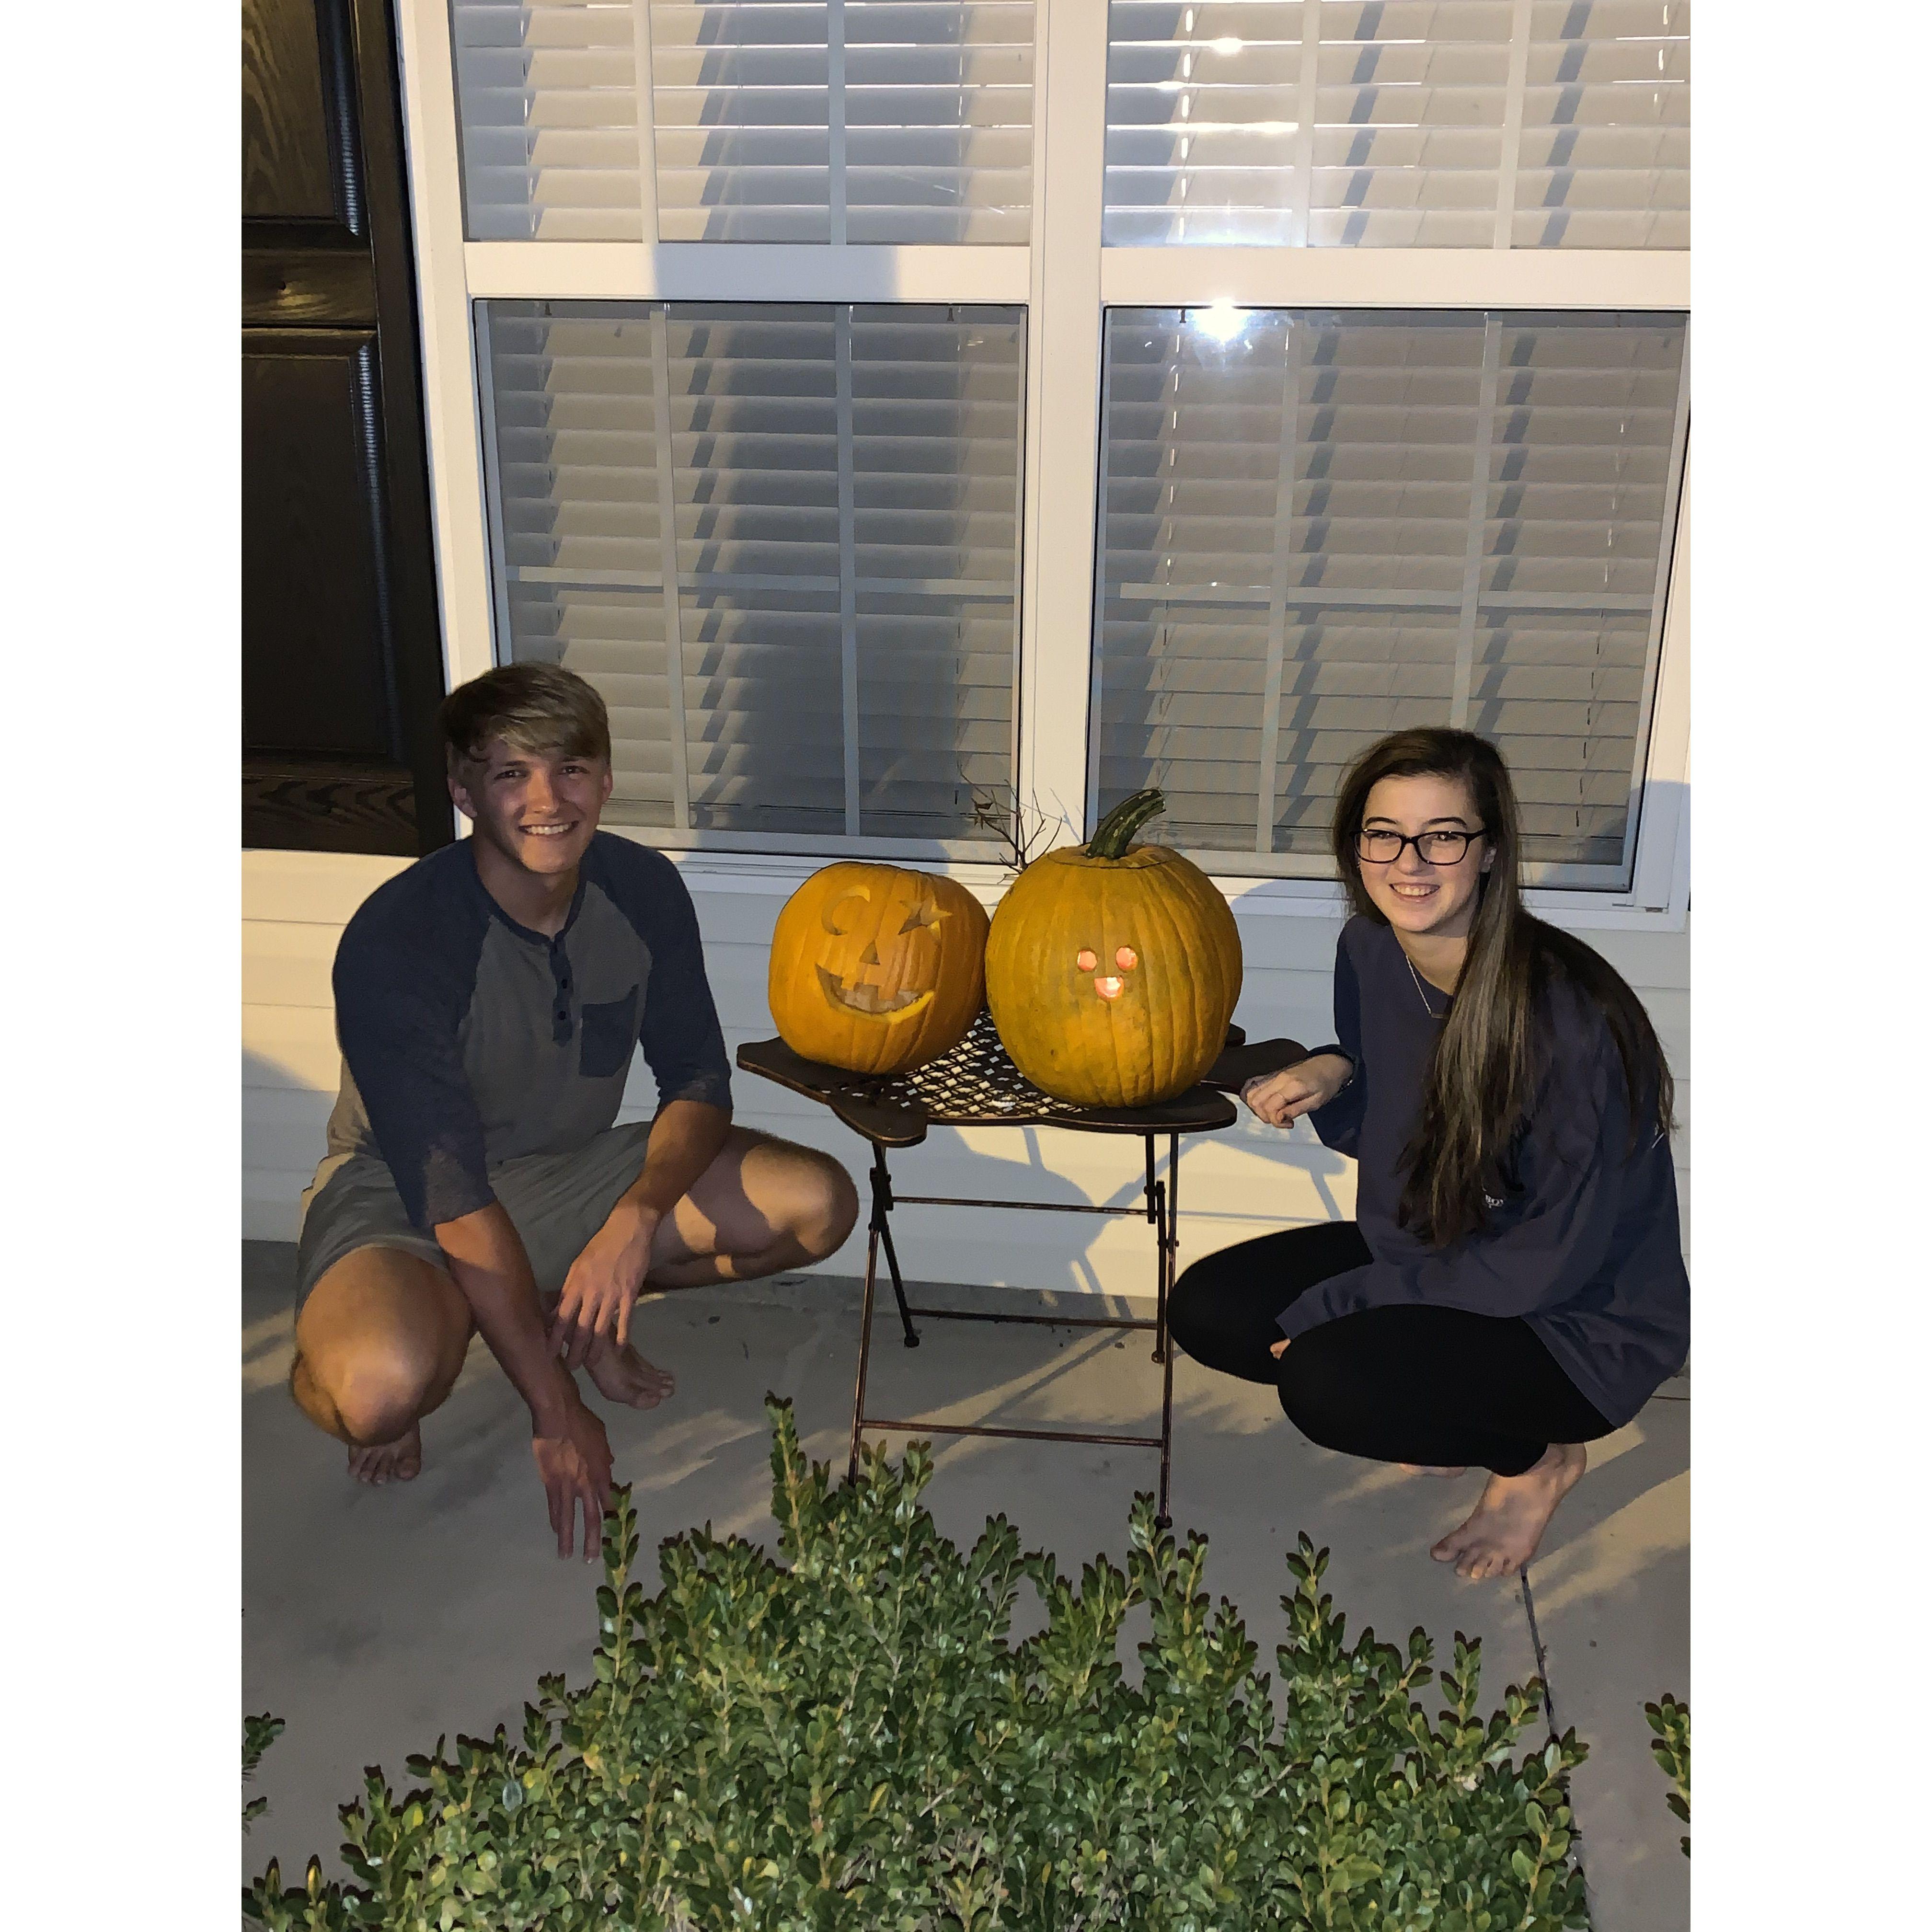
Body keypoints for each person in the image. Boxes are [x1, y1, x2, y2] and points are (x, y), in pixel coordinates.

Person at [287, 664, 860, 1559]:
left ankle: (560, 1308)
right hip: (401, 1198)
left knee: (818, 1205)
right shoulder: (400, 939)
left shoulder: (642, 890)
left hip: (568, 1176)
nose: (548, 801)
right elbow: (453, 1198)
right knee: (379, 1390)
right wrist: (557, 1410)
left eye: (571, 769)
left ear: (606, 778)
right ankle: (421, 1328)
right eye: (512, 774)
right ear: (463, 791)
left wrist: (633, 1222)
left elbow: (698, 1082)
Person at [1167, 728, 1687, 1582]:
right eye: (1384, 834)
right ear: (1356, 846)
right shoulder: (1371, 949)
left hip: (1577, 1317)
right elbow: (1401, 1102)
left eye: (1442, 835)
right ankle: (1448, 1408)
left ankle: (1536, 1459)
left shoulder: (1569, 1021)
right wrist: (1337, 1070)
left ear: (1490, 851)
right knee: (1211, 1310)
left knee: (1328, 1384)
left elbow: (1546, 1263)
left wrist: (1346, 1302)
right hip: (1438, 1247)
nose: (1409, 863)